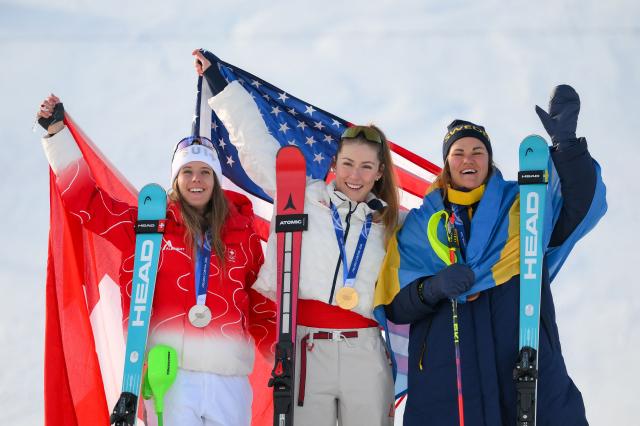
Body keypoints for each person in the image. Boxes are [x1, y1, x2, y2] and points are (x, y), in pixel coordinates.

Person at [36, 94, 276, 426]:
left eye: (205, 172)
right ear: (175, 178)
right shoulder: (150, 225)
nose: (196, 179)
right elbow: (88, 205)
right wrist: (58, 135)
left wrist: (279, 353)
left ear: (216, 180)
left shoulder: (243, 233)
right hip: (169, 376)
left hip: (229, 378)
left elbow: (258, 302)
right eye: (187, 171)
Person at [377, 85, 607, 425]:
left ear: (489, 160)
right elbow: (395, 303)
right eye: (458, 152)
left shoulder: (523, 205)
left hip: (525, 365)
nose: (468, 159)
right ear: (447, 164)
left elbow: (579, 208)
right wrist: (433, 288)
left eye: (477, 151)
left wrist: (568, 147)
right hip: (446, 379)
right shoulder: (420, 226)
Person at [192, 49, 398, 425]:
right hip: (307, 348)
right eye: (348, 163)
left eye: (366, 166)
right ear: (334, 164)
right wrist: (221, 87)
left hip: (366, 352)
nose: (355, 174)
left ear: (379, 173)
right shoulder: (302, 196)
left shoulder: (390, 225)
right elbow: (257, 148)